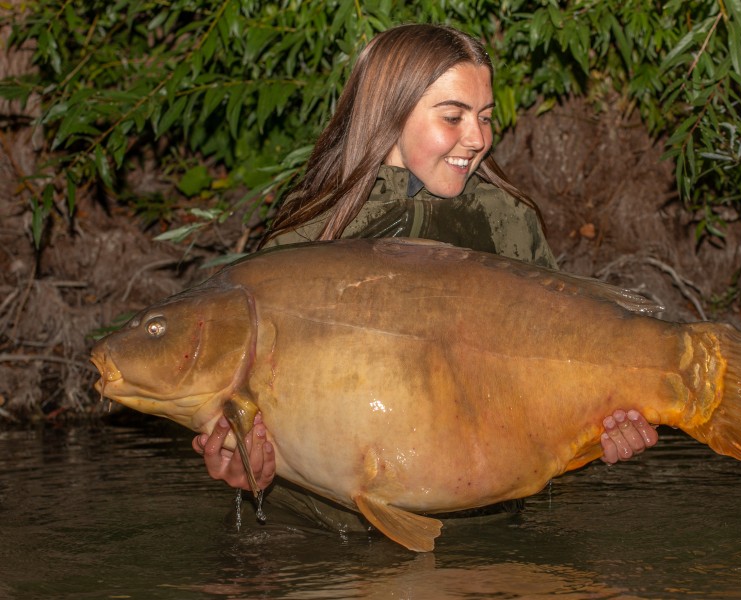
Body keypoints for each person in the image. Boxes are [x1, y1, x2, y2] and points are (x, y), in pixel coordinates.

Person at [193, 23, 659, 531]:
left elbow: (555, 380)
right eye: (453, 116)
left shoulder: (509, 221)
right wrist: (245, 469)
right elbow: (253, 428)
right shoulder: (310, 235)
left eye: (484, 116)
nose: (478, 138)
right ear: (390, 115)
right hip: (324, 540)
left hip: (483, 537)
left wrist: (600, 431)